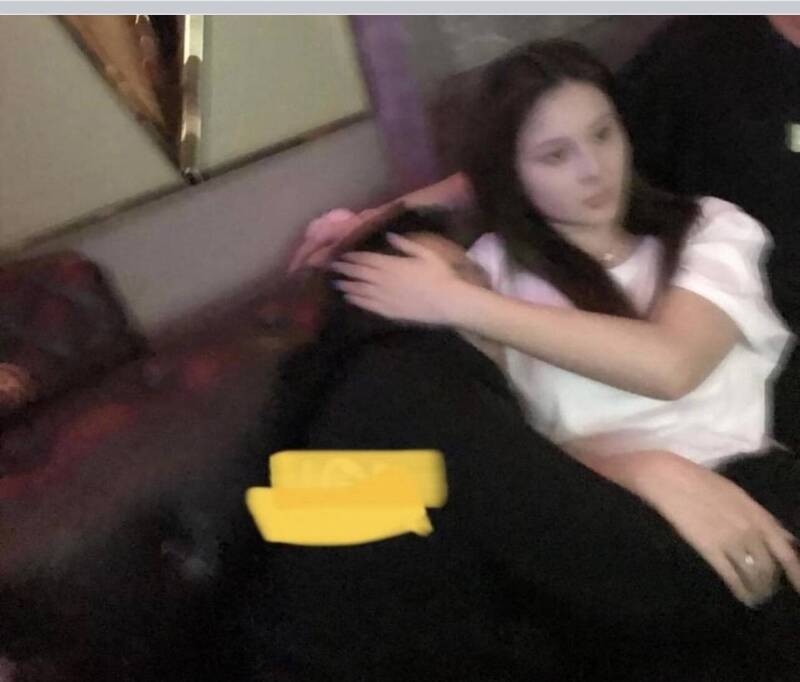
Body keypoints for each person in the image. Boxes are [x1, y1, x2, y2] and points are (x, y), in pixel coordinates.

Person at [257, 205, 800, 681]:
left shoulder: (401, 406)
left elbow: (500, 496)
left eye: (478, 280)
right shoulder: (394, 392)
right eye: (450, 282)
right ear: (391, 303)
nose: (483, 297)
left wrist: (636, 468)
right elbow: (641, 582)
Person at [291, 16, 800, 451]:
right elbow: (495, 438)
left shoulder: (712, 230)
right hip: (598, 502)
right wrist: (390, 216)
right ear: (511, 171)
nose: (593, 170)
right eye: (556, 156)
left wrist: (452, 302)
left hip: (755, 473)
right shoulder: (487, 269)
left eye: (604, 135)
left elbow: (673, 366)